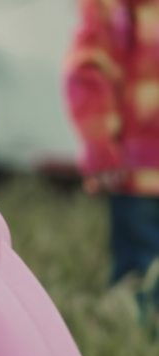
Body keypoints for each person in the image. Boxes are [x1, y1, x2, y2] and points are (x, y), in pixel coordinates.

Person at [65, 0, 159, 326]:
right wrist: (100, 144)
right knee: (140, 278)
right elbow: (89, 70)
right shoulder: (113, 7)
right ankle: (132, 333)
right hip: (139, 178)